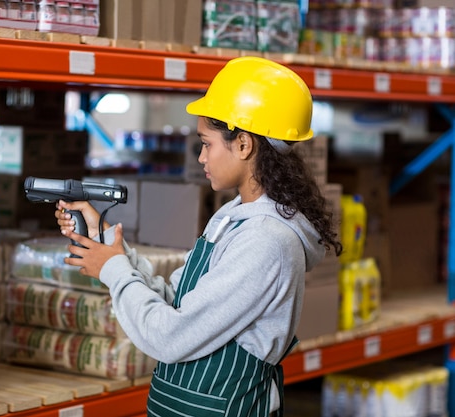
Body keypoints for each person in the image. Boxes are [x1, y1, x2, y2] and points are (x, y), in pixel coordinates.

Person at [55, 56, 343, 417]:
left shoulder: (267, 242)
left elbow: (168, 336)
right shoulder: (233, 216)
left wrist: (114, 270)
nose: (201, 157)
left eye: (206, 144)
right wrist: (106, 241)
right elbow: (178, 301)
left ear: (243, 144)